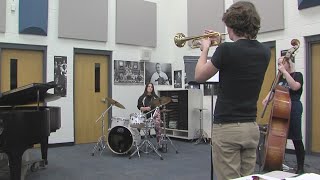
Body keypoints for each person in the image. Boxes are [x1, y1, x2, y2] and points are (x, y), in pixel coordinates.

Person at [194, 1, 271, 179]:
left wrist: (205, 49)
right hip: (251, 128)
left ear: (231, 25)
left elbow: (199, 76)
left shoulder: (226, 50)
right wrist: (221, 44)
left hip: (227, 128)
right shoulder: (265, 52)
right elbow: (240, 54)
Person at [262, 56, 305, 174]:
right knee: (280, 138)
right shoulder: (279, 77)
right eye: (278, 64)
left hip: (294, 107)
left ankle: (300, 167)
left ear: (289, 63)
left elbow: (295, 87)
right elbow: (273, 91)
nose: (279, 66)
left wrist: (285, 72)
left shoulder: (298, 75)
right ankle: (277, 163)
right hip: (280, 109)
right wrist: (267, 98)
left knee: (296, 137)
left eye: (281, 63)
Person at [137, 83, 163, 148]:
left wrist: (160, 106)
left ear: (153, 88)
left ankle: (159, 144)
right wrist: (146, 108)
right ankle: (141, 143)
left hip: (154, 117)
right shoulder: (142, 97)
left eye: (151, 87)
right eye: (148, 86)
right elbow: (139, 107)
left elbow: (160, 107)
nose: (150, 88)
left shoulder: (156, 97)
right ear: (146, 88)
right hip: (145, 116)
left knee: (158, 126)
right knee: (139, 127)